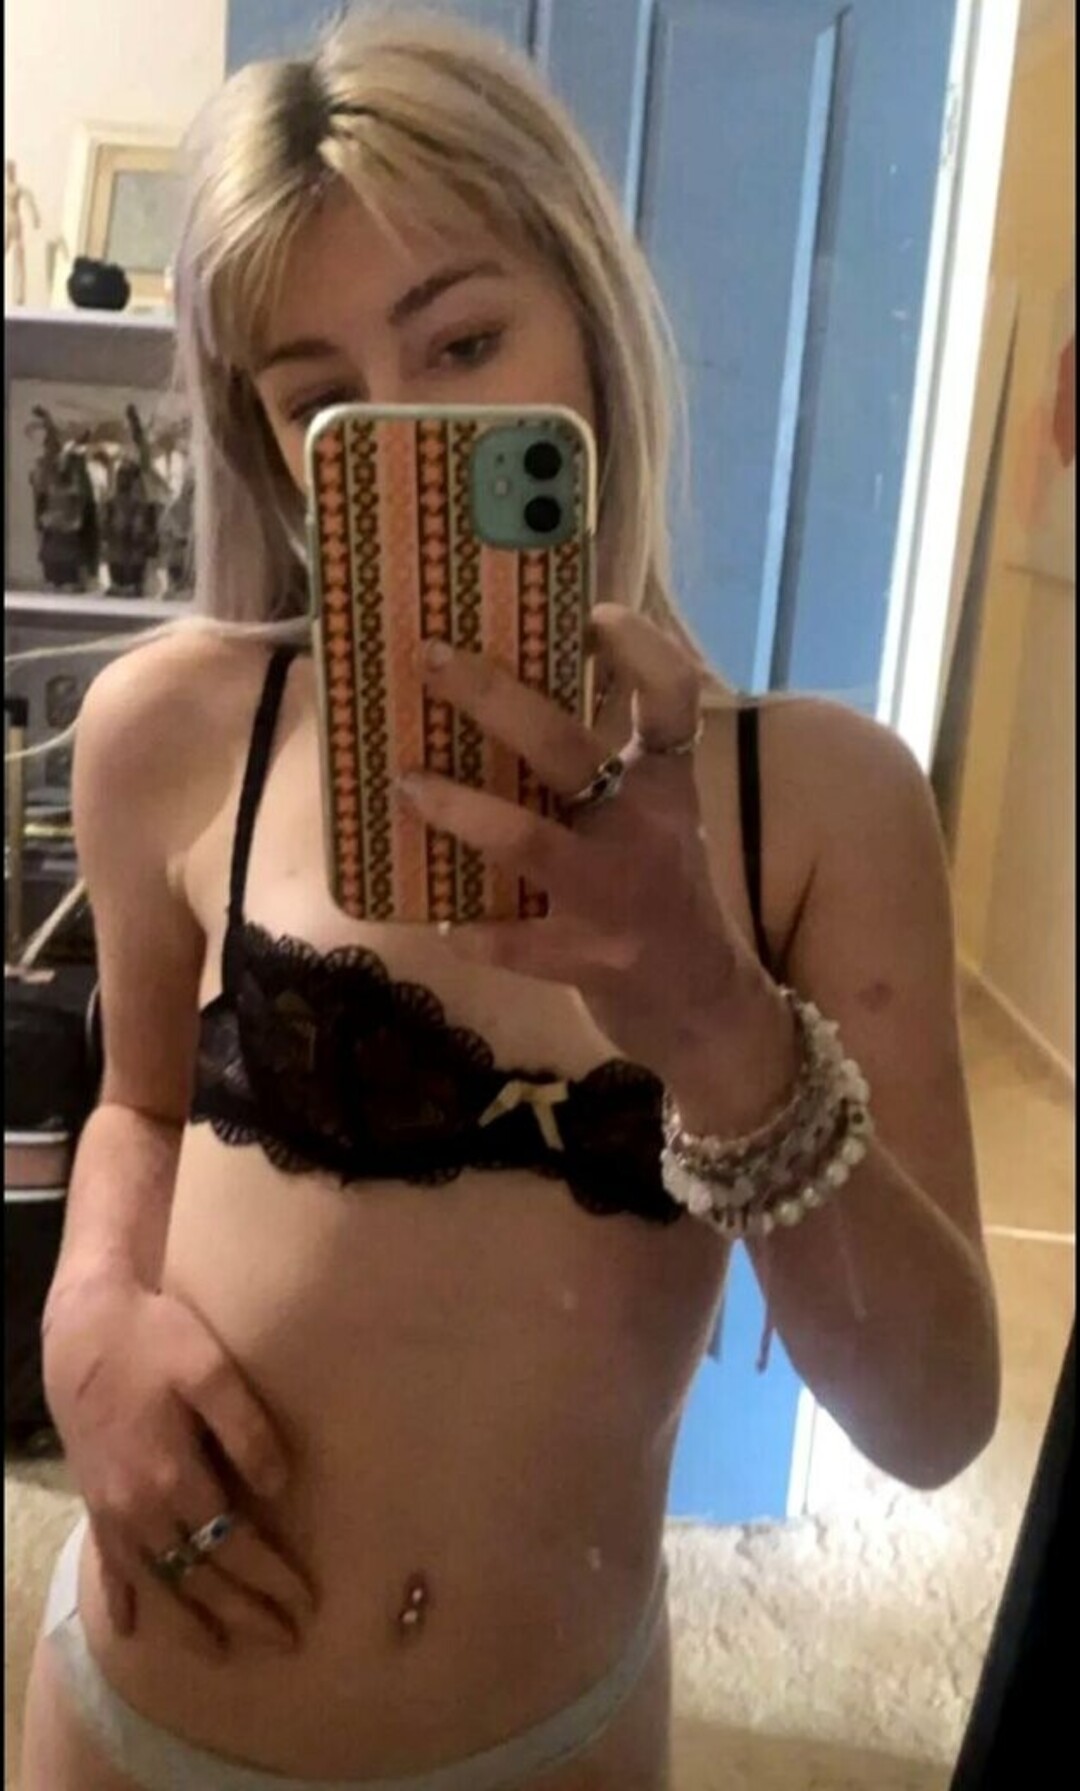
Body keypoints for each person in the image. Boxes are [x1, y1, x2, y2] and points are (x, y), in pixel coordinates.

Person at [18, 10, 1001, 1790]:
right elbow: (138, 1106)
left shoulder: (819, 808)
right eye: (321, 397)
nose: (410, 431)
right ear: (270, 442)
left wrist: (719, 1022)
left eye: (466, 341)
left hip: (555, 1744)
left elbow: (933, 1424)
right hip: (137, 1725)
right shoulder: (167, 734)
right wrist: (85, 1312)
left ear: (592, 334)